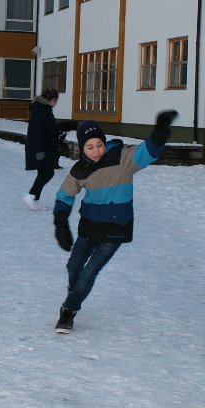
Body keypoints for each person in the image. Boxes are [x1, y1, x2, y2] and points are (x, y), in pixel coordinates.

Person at [52, 110, 176, 333]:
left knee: (88, 274)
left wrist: (160, 130)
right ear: (82, 148)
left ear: (104, 142)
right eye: (90, 147)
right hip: (90, 226)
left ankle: (69, 310)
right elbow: (65, 194)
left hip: (115, 229)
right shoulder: (80, 169)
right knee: (73, 267)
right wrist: (61, 222)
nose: (96, 151)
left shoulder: (123, 158)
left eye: (99, 145)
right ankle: (76, 291)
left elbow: (148, 152)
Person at [24, 87, 67, 211]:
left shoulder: (43, 109)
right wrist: (40, 151)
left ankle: (34, 199)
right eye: (56, 100)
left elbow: (47, 128)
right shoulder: (41, 111)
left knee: (44, 173)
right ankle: (31, 196)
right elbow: (38, 132)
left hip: (43, 148)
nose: (56, 103)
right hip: (41, 149)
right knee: (47, 173)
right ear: (53, 100)